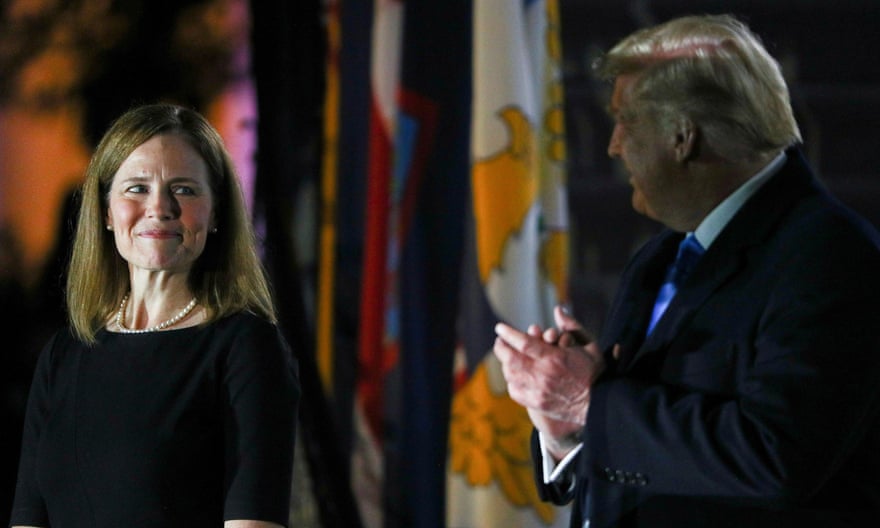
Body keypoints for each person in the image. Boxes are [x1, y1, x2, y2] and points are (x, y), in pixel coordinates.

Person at [493, 14, 880, 528]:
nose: (612, 144)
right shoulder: (660, 257)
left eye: (624, 119)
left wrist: (593, 402)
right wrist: (568, 429)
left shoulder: (830, 256)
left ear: (682, 137)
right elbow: (647, 455)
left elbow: (777, 458)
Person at [9, 103, 301, 527]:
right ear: (106, 212)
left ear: (216, 212)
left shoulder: (246, 348)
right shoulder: (63, 355)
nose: (159, 207)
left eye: (184, 189)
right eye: (136, 188)